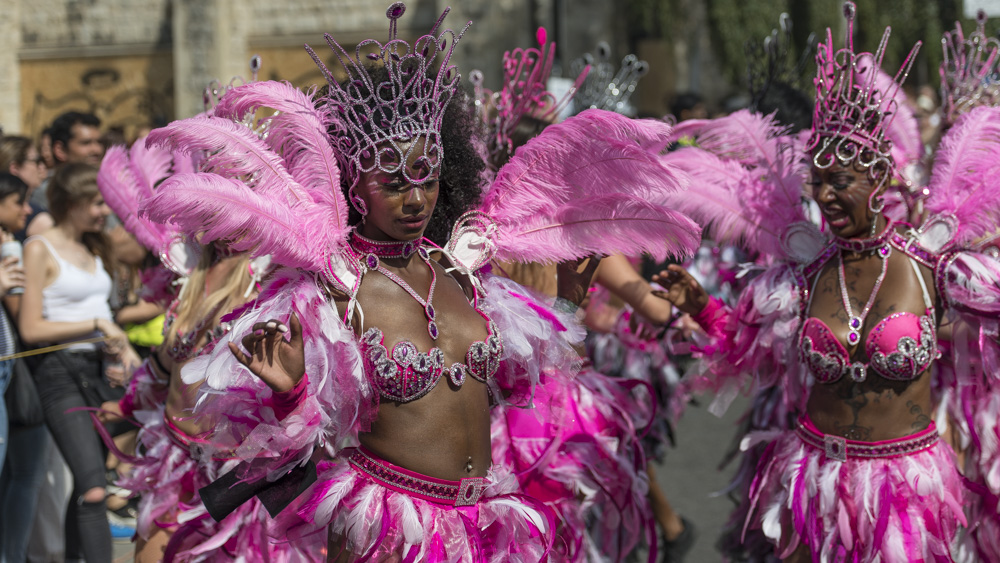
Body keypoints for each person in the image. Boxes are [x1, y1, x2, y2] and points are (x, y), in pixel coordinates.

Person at [652, 4, 1000, 560]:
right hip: (815, 477)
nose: (826, 197)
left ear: (879, 177)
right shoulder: (803, 275)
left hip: (905, 486)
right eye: (818, 182)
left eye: (840, 181)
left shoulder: (935, 266)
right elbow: (746, 352)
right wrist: (703, 306)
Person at [19, 162, 139, 563]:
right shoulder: (40, 247)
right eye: (96, 203)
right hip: (57, 372)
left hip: (97, 370)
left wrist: (115, 349)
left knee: (94, 478)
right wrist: (95, 324)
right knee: (92, 487)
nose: (105, 211)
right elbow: (32, 327)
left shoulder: (94, 245)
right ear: (71, 203)